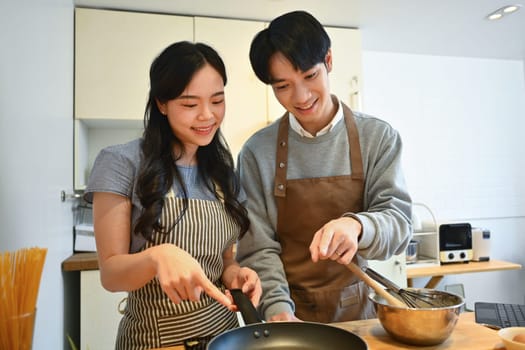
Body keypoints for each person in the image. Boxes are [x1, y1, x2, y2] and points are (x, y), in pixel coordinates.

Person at [236, 10, 412, 324]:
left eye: (309, 76)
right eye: (283, 86)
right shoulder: (257, 152)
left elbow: (398, 223)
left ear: (328, 61)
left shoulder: (378, 137)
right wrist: (278, 311)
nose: (301, 97)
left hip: (360, 316)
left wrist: (358, 226)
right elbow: (258, 246)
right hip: (289, 314)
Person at [84, 41, 261, 349]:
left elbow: (224, 260)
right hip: (156, 340)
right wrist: (156, 256)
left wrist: (237, 275)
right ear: (161, 104)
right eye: (190, 105)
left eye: (217, 101)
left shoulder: (223, 173)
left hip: (227, 337)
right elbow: (111, 274)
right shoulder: (121, 162)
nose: (207, 116)